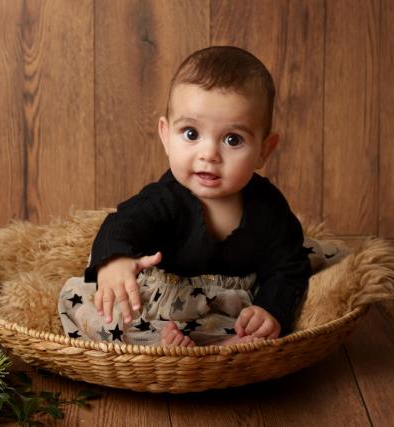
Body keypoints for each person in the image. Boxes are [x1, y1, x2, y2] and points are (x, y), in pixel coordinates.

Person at [59, 46, 313, 347]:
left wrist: (269, 310)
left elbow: (288, 266)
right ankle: (159, 345)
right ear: (166, 135)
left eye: (233, 140)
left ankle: (227, 347)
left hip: (226, 312)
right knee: (80, 301)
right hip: (163, 306)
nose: (209, 155)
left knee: (263, 323)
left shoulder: (268, 209)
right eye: (191, 133)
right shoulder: (165, 199)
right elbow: (123, 223)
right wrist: (115, 261)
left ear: (264, 150)